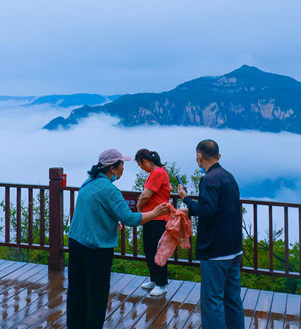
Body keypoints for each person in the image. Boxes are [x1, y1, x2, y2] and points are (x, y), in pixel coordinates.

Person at [66, 149, 170, 329]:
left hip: (75, 242)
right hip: (95, 249)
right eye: (121, 165)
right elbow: (130, 218)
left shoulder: (88, 182)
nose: (123, 168)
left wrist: (112, 221)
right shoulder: (110, 190)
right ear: (112, 168)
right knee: (97, 294)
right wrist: (155, 212)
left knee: (77, 290)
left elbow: (92, 210)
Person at [177, 139, 244, 329]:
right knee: (233, 300)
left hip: (216, 252)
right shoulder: (229, 176)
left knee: (212, 302)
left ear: (199, 156)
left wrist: (186, 200)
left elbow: (207, 210)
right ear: (218, 156)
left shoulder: (209, 179)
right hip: (234, 249)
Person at [135, 148, 172, 297]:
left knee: (158, 251)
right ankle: (154, 279)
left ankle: (161, 283)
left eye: (140, 165)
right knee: (149, 249)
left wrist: (138, 207)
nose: (141, 169)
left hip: (158, 218)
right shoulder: (156, 173)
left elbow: (146, 195)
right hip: (151, 217)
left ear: (144, 161)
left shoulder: (157, 173)